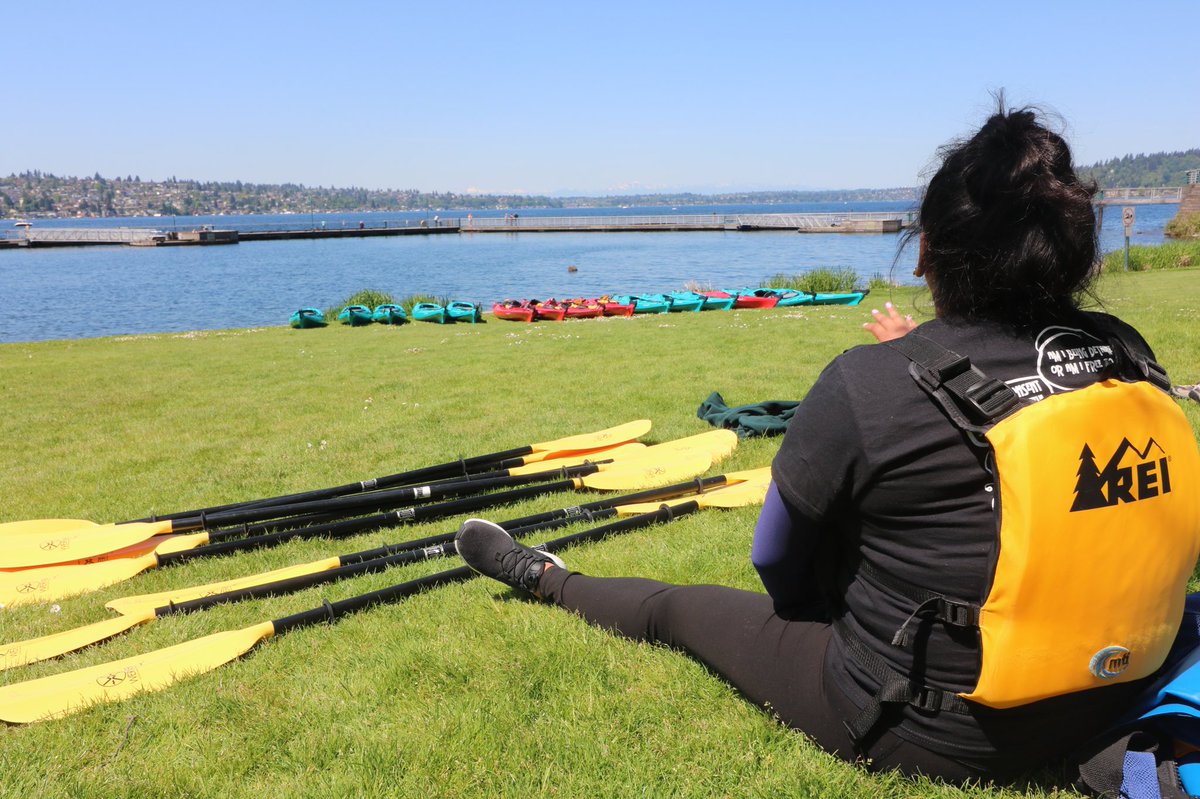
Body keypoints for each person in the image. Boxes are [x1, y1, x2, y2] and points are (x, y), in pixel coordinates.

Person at [455, 101, 1200, 786]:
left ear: (924, 251)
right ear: (1071, 254)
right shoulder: (1126, 351)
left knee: (677, 611)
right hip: (1122, 688)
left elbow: (776, 559)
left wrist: (817, 615)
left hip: (939, 730)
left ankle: (542, 577)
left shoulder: (869, 383)